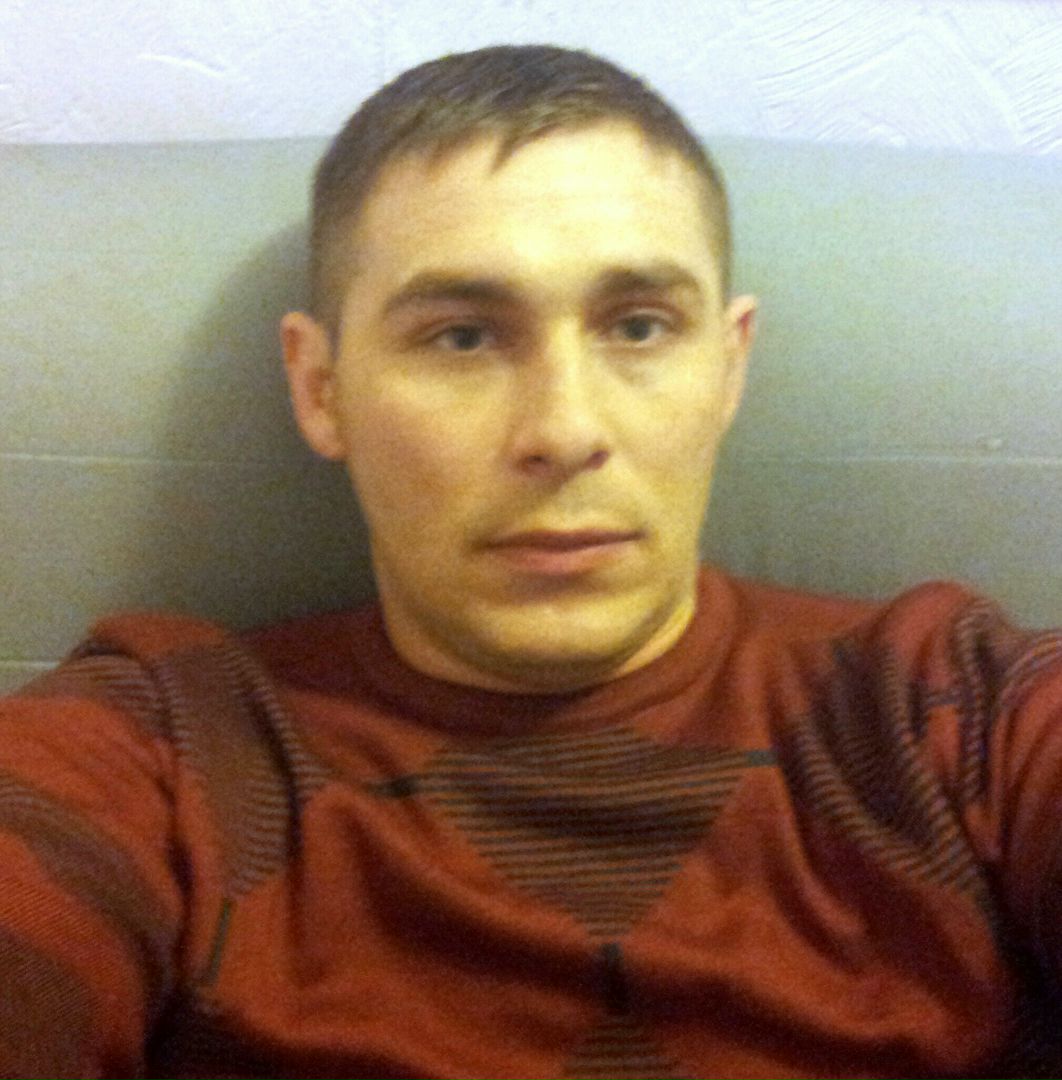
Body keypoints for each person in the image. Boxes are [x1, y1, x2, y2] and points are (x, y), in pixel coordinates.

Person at [1, 43, 1059, 1080]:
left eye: (638, 327)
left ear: (729, 367)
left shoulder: (946, 709)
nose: (563, 430)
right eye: (463, 337)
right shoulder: (167, 749)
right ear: (321, 388)